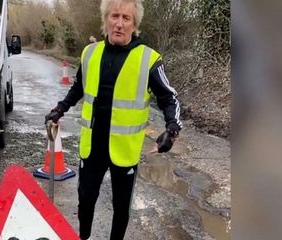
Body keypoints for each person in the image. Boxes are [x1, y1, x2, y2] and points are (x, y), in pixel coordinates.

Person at [45, 0, 182, 239]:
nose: (119, 24)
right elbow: (78, 87)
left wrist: (171, 129)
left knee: (121, 208)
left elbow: (169, 98)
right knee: (85, 200)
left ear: (134, 24)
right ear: (106, 19)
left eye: (126, 18)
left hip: (124, 151)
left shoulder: (149, 59)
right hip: (92, 147)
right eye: (114, 16)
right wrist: (61, 108)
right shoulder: (90, 53)